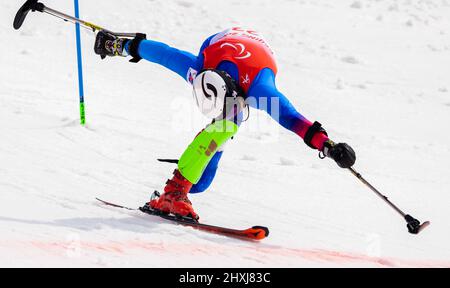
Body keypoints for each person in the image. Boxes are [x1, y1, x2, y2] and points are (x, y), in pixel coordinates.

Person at [94, 27, 356, 221]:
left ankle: (181, 186)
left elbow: (291, 118)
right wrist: (117, 45)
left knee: (212, 160)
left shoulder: (259, 89)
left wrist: (329, 145)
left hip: (256, 57)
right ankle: (175, 190)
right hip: (219, 47)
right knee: (219, 136)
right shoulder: (198, 68)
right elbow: (163, 54)